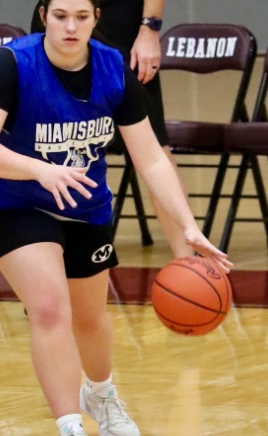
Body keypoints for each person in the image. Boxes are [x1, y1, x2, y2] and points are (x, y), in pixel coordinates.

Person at [0, 0, 233, 436]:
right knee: (50, 308)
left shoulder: (112, 68)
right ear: (43, 15)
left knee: (89, 316)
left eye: (82, 17)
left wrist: (188, 225)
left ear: (96, 17)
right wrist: (40, 171)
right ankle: (71, 432)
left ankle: (101, 393)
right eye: (61, 15)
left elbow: (151, 158)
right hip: (12, 201)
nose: (71, 26)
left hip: (84, 206)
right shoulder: (12, 63)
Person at [31, 0, 194, 259]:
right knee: (56, 141)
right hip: (63, 14)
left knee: (152, 146)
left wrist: (150, 27)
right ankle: (52, 249)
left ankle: (188, 260)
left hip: (122, 22)